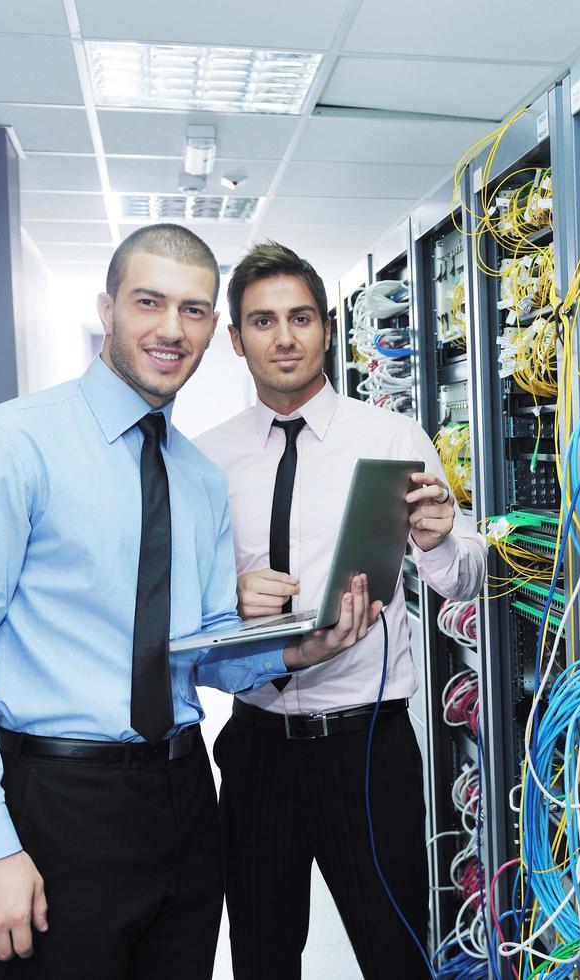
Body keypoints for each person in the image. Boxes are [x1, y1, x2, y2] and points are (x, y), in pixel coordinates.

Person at [0, 224, 383, 979]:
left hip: (187, 796)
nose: (171, 329)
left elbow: (199, 647)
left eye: (193, 310)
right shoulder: (6, 446)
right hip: (61, 800)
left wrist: (296, 651)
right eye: (148, 302)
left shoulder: (195, 476)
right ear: (107, 307)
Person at [196, 242, 486, 977]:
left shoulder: (390, 438)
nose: (284, 337)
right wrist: (225, 601)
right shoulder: (203, 460)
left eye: (299, 318)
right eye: (262, 321)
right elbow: (183, 617)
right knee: (262, 955)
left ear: (327, 327)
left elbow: (461, 585)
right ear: (236, 338)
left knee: (397, 953)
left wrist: (446, 536)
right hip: (257, 745)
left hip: (368, 748)